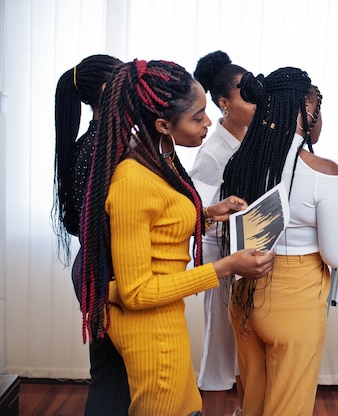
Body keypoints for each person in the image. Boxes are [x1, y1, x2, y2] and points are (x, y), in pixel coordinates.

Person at [78, 59, 275, 415]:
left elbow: (161, 228)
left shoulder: (158, 159)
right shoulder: (134, 180)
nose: (207, 122)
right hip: (153, 336)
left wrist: (209, 214)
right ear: (163, 124)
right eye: (197, 116)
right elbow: (137, 292)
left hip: (166, 322)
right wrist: (226, 266)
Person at [221, 66, 338, 416]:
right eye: (319, 107)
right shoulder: (323, 171)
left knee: (253, 402)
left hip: (244, 295)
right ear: (305, 109)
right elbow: (336, 255)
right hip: (295, 302)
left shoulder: (240, 163)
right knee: (288, 407)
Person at [52, 54, 131, 415]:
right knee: (112, 379)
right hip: (104, 270)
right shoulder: (107, 147)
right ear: (106, 89)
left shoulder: (97, 141)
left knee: (111, 376)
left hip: (95, 264)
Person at [189, 50, 255, 416]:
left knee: (245, 346)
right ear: (224, 103)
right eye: (247, 94)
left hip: (246, 254)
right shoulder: (213, 152)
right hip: (220, 259)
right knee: (219, 349)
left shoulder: (252, 139)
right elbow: (198, 216)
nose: (256, 101)